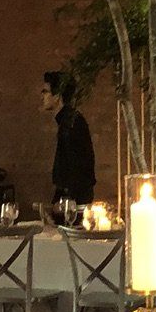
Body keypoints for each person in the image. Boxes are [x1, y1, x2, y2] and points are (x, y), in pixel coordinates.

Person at [41, 71, 95, 209]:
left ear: (58, 96)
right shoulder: (69, 121)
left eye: (46, 92)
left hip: (72, 201)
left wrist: (64, 200)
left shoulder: (71, 122)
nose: (42, 96)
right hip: (71, 198)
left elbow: (77, 166)